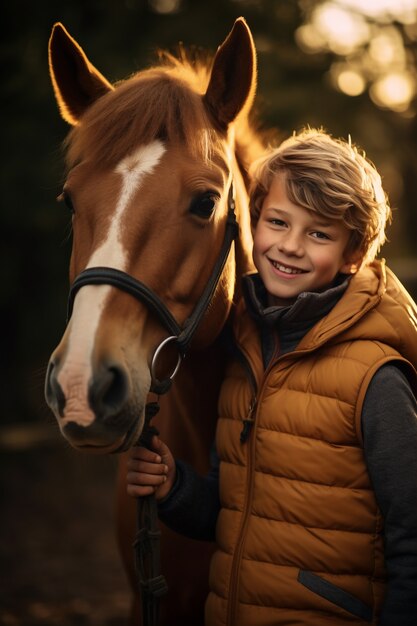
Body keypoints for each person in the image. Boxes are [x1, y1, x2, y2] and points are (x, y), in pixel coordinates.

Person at [126, 128, 417, 625]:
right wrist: (176, 488)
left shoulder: (376, 380)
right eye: (277, 222)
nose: (290, 246)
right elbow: (234, 507)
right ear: (253, 224)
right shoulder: (245, 354)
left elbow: (412, 542)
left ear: (354, 255)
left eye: (319, 233)